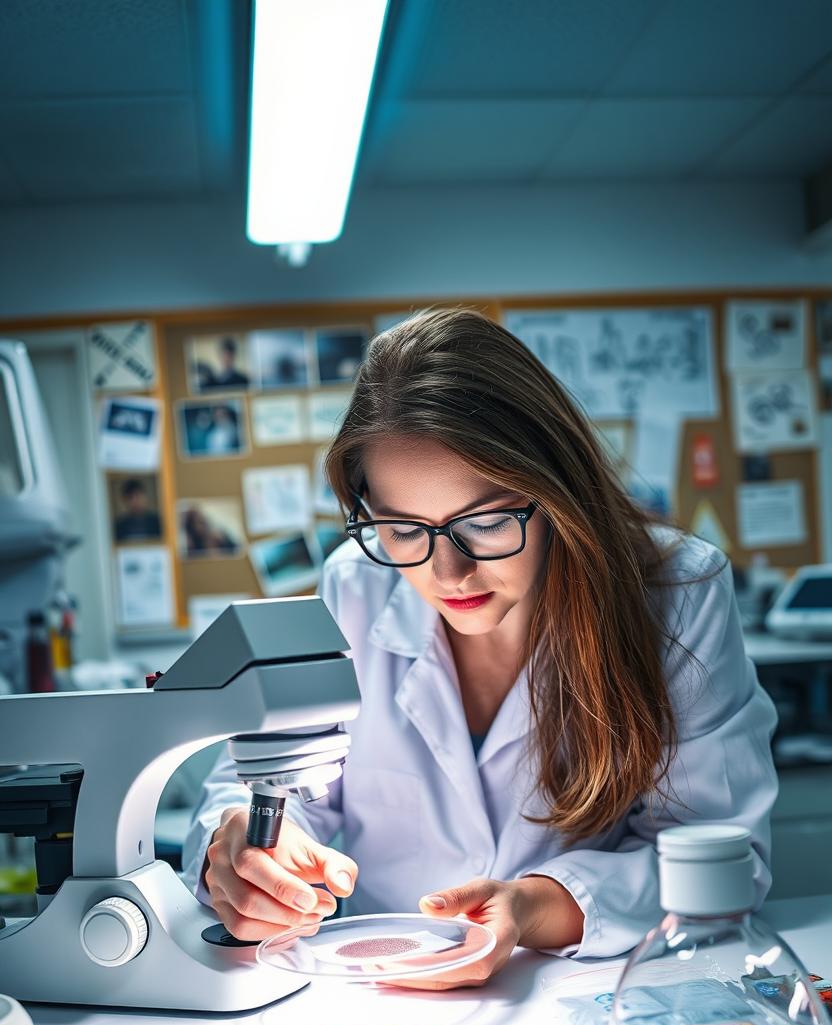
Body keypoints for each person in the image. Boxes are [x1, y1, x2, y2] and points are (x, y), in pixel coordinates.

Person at [182, 309, 778, 990]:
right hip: (381, 988)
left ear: (559, 494)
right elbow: (257, 779)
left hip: (588, 984)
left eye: (487, 521)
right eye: (404, 529)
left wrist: (532, 907)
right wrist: (240, 846)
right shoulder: (353, 586)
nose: (448, 573)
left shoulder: (675, 591)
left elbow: (727, 856)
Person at [114, 477, 162, 542]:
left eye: (138, 496)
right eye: (130, 498)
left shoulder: (157, 522)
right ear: (124, 501)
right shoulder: (119, 526)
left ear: (145, 497)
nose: (135, 501)